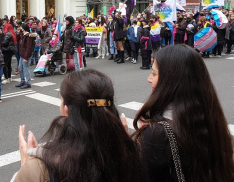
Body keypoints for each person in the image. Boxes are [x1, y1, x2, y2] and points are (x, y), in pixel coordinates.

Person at [12, 69, 148, 182]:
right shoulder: (133, 154)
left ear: (66, 110)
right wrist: (125, 141)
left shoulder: (41, 169)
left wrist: (27, 167)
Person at [131, 45, 234, 182]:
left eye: (154, 73)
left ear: (170, 80)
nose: (149, 79)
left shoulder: (157, 134)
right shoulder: (209, 115)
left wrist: (129, 147)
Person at [16, 23, 36, 89]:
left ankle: (28, 82)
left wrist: (26, 57)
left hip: (25, 55)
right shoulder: (23, 35)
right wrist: (18, 33)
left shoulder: (28, 36)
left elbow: (28, 47)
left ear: (24, 28)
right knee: (20, 68)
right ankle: (22, 81)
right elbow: (18, 40)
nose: (20, 28)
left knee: (26, 68)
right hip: (22, 54)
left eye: (21, 27)